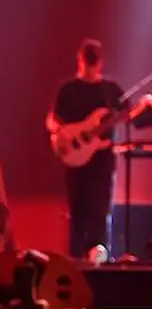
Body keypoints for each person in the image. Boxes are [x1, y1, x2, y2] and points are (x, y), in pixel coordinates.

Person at [45, 38, 152, 259]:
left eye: (93, 63)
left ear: (100, 62)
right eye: (87, 62)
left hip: (102, 161)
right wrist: (67, 134)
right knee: (78, 214)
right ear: (80, 60)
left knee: (101, 213)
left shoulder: (110, 90)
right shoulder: (68, 89)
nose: (90, 68)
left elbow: (129, 116)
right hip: (76, 161)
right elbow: (52, 121)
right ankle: (75, 261)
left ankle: (99, 260)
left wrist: (144, 106)